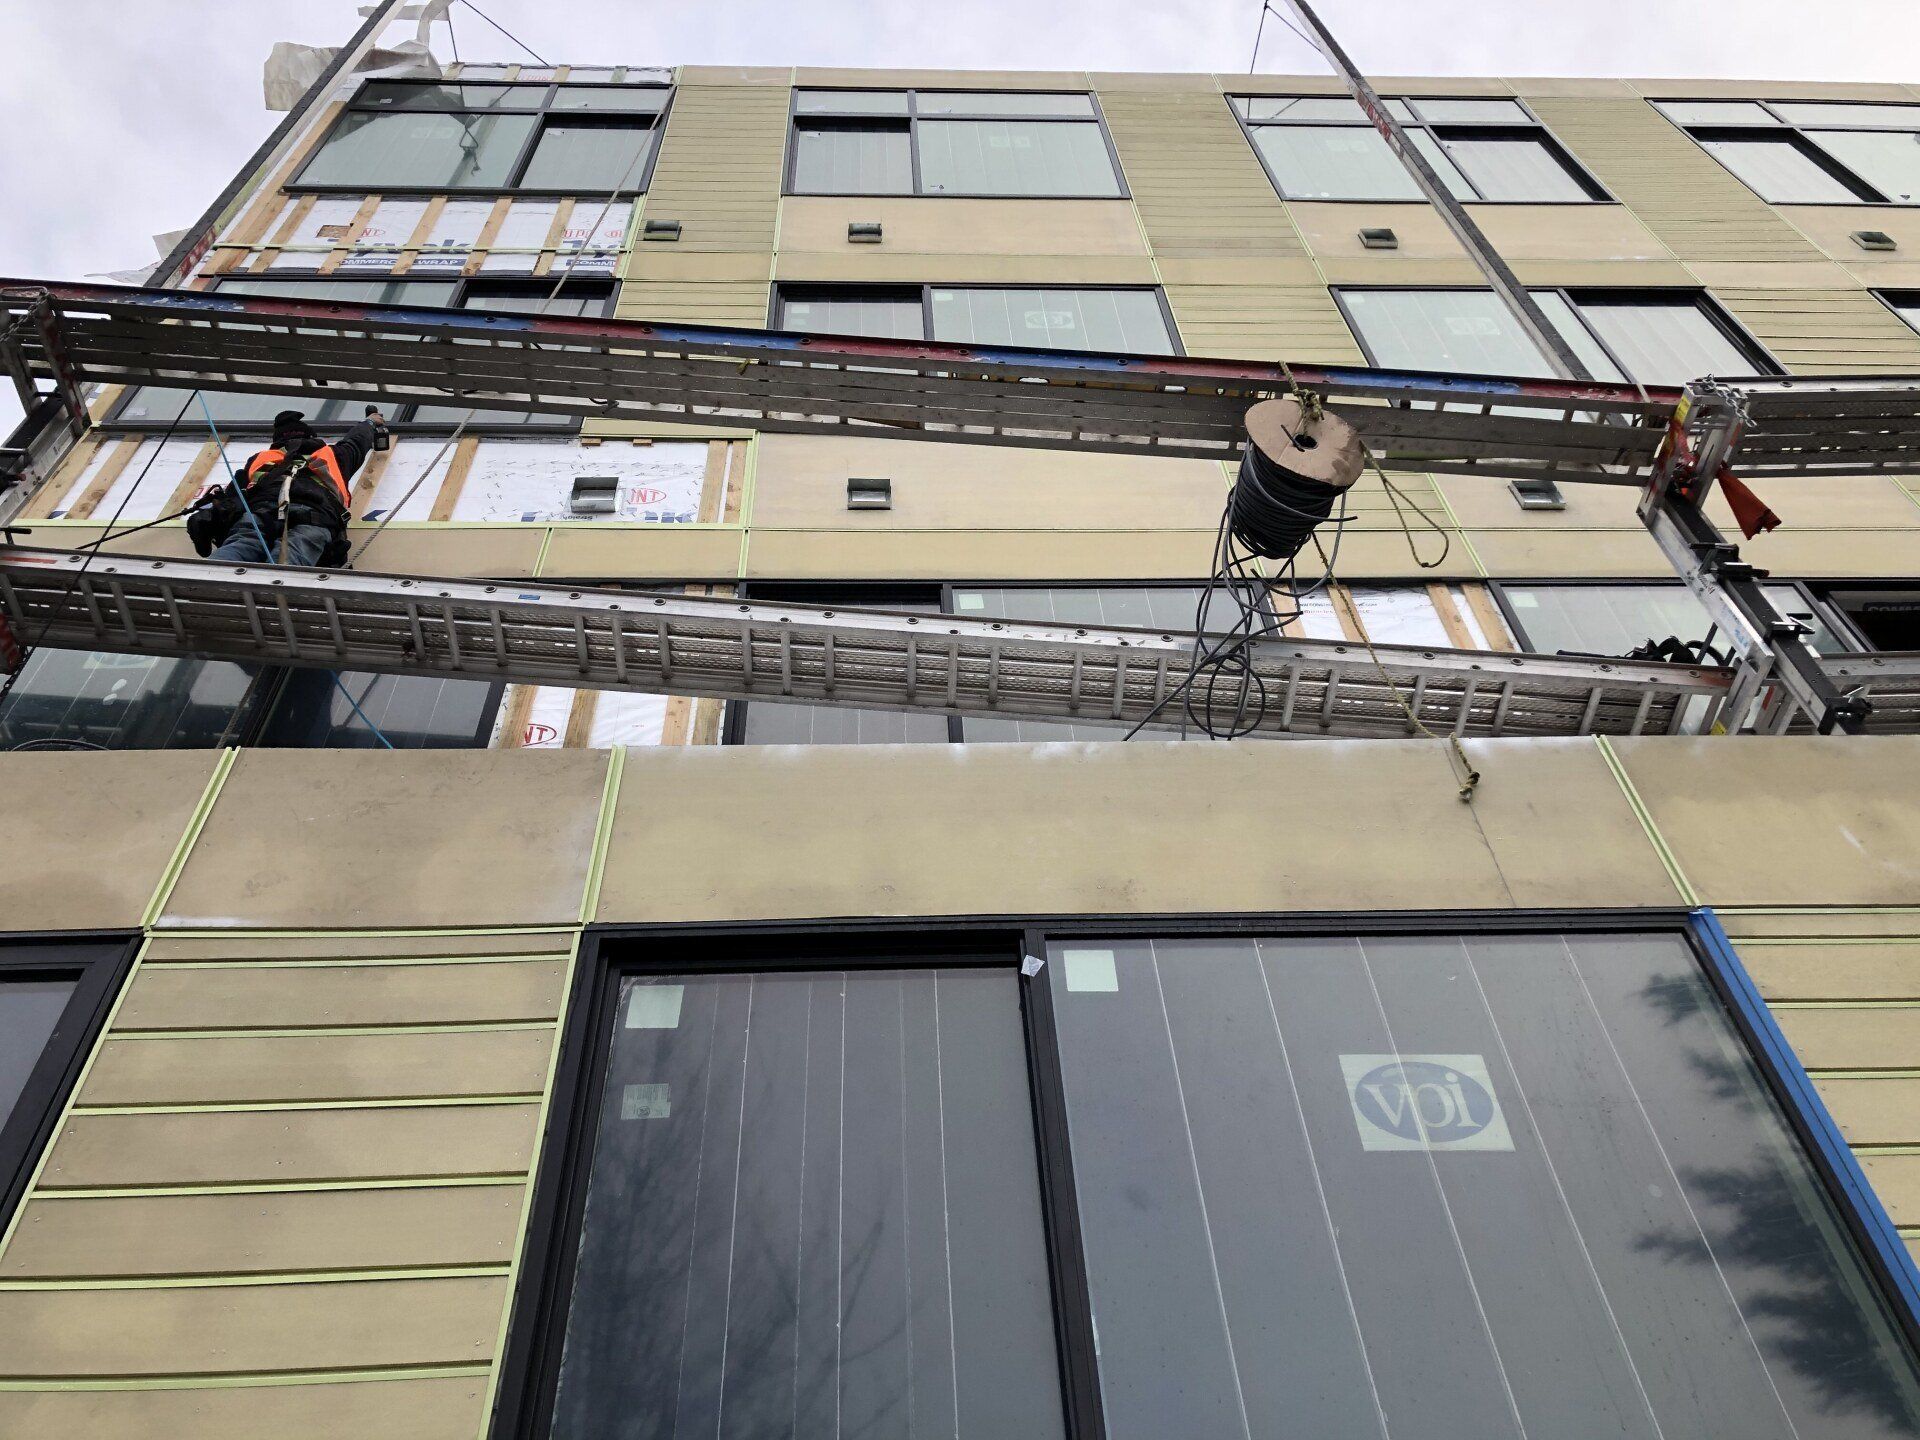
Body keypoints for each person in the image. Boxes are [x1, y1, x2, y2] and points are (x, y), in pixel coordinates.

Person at [188, 407, 385, 568]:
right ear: (312, 438)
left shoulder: (260, 459)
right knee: (292, 555)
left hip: (260, 511)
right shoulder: (332, 455)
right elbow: (356, 441)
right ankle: (273, 596)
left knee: (242, 545)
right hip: (314, 515)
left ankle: (209, 580)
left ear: (277, 441)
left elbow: (232, 496)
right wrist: (369, 422)